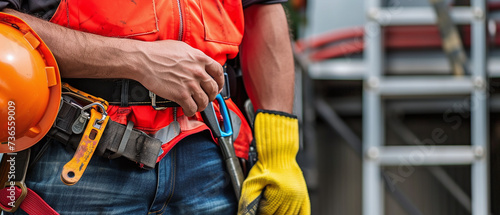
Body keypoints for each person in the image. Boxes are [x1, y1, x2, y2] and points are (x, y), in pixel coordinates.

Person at [0, 0, 310, 214]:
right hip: (79, 147)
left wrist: (279, 153)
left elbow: (262, 9)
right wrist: (136, 59)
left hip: (210, 153)